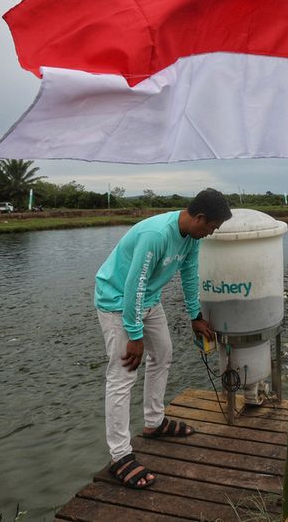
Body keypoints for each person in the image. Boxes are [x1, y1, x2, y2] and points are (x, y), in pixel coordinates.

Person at [94, 188, 231, 489]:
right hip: (118, 302)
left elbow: (190, 273)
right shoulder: (156, 234)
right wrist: (134, 334)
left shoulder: (191, 238)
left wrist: (195, 316)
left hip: (148, 300)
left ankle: (154, 422)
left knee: (164, 354)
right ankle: (120, 456)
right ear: (200, 218)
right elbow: (133, 284)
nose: (211, 233)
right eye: (212, 227)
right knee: (123, 374)